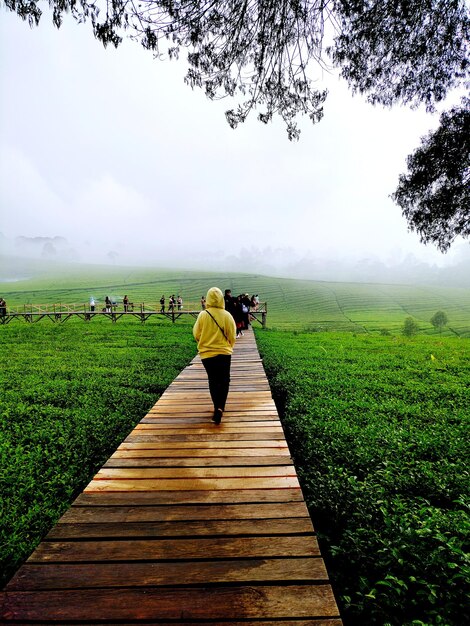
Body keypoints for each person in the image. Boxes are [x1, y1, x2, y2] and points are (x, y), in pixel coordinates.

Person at [193, 287, 236, 425]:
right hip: (224, 352)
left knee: (213, 379)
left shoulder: (203, 315)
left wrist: (204, 343)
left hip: (207, 354)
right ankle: (220, 407)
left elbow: (196, 334)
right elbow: (232, 335)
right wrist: (228, 346)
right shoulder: (227, 315)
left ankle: (216, 405)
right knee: (224, 380)